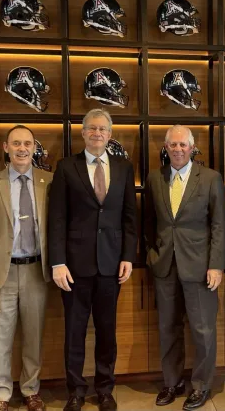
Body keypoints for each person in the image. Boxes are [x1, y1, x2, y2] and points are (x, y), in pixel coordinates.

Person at [48, 109, 137, 411]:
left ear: (110, 135)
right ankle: (75, 390)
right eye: (92, 128)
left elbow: (129, 217)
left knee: (106, 331)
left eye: (103, 129)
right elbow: (57, 218)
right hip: (73, 267)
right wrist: (57, 261)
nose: (97, 133)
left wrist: (128, 256)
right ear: (82, 133)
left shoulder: (124, 167)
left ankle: (104, 388)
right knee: (74, 332)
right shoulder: (66, 167)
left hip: (112, 265)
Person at [144, 125, 225, 410]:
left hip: (201, 268)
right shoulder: (155, 178)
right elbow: (148, 222)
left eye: (183, 145)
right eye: (172, 145)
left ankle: (201, 385)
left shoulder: (210, 178)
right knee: (168, 328)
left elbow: (218, 225)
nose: (178, 149)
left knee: (203, 330)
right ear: (165, 148)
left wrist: (216, 265)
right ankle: (172, 382)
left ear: (192, 148)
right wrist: (152, 256)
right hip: (165, 266)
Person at [0, 125, 53, 411]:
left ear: (34, 148)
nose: (22, 149)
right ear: (5, 148)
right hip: (3, 270)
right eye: (16, 143)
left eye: (27, 144)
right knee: (0, 335)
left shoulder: (49, 181)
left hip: (36, 269)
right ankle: (1, 394)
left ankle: (31, 389)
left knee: (34, 335)